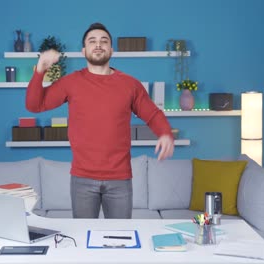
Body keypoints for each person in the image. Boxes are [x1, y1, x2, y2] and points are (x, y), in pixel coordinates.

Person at [26, 22, 174, 219]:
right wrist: (40, 71)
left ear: (111, 49)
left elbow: (152, 114)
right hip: (82, 179)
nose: (98, 45)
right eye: (92, 41)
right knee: (85, 241)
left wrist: (165, 133)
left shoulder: (130, 85)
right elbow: (35, 105)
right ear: (83, 50)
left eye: (104, 41)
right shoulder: (71, 82)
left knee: (121, 239)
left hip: (120, 179)